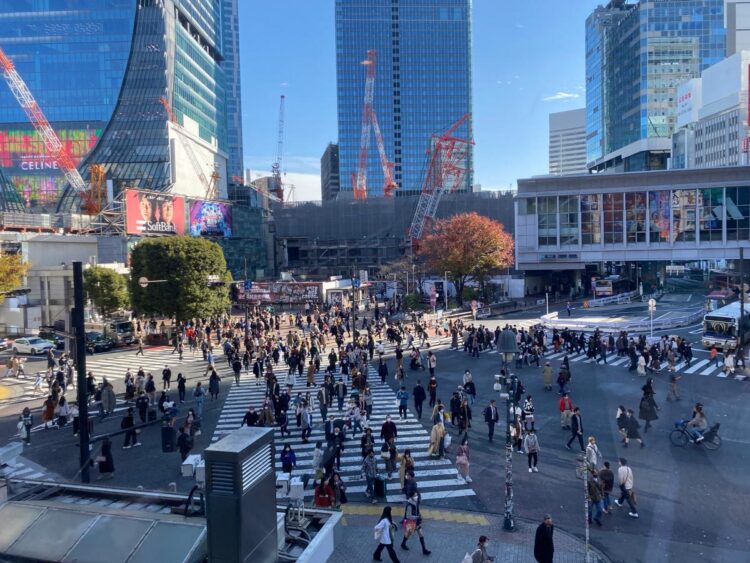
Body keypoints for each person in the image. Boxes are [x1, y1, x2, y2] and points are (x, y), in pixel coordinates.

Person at [400, 490, 431, 555]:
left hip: (416, 522)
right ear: (411, 496)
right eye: (415, 495)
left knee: (421, 534)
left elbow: (417, 510)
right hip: (411, 522)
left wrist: (419, 515)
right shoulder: (409, 505)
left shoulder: (415, 502)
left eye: (416, 495)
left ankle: (424, 550)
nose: (416, 496)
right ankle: (403, 543)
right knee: (408, 534)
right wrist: (417, 517)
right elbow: (408, 516)